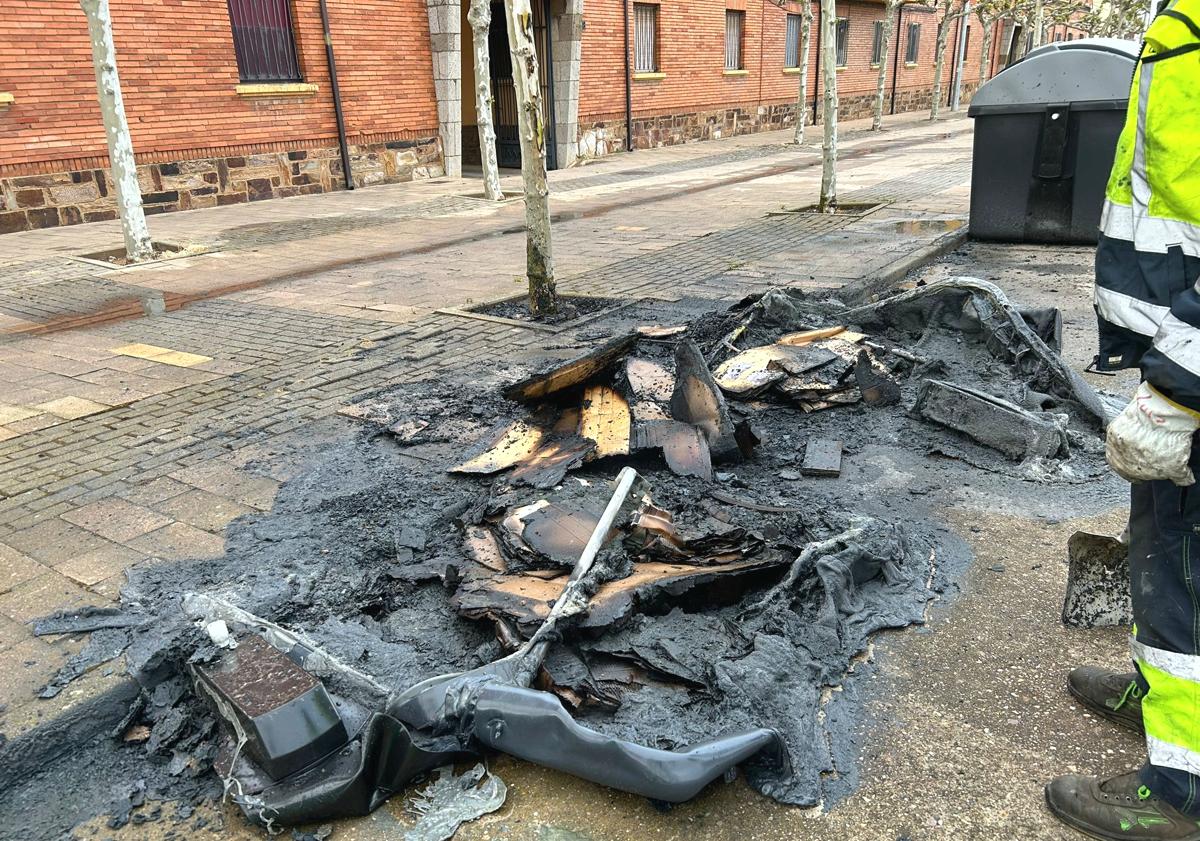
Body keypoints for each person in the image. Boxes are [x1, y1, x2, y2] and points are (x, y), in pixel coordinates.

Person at [1043, 2, 1200, 838]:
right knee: (1163, 541)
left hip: (1195, 360)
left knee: (1188, 567)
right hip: (1175, 339)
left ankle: (1181, 789)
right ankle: (1157, 695)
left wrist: (1179, 388)